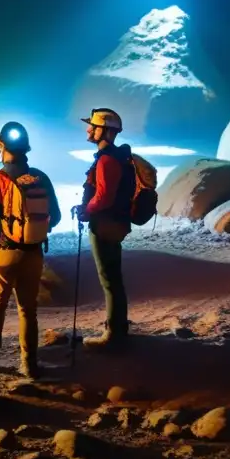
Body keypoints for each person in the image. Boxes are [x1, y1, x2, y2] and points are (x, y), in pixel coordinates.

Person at [0, 121, 61, 378]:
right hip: (33, 252)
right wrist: (33, 228)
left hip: (4, 251)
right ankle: (29, 363)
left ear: (2, 147)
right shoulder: (41, 177)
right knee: (28, 309)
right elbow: (54, 216)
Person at [76, 108, 137, 352]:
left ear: (106, 131)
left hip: (105, 224)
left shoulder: (107, 159)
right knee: (113, 278)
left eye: (93, 125)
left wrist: (86, 209)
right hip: (115, 223)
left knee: (110, 280)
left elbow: (104, 197)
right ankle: (118, 327)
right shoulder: (115, 157)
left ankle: (114, 334)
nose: (88, 129)